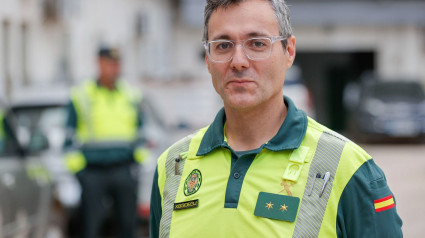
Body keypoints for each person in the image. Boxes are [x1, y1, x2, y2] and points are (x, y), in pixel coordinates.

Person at [150, 0, 403, 237]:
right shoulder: (172, 166)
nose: (238, 61)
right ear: (207, 58)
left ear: (289, 51)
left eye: (257, 43)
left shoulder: (347, 168)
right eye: (223, 45)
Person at [63, 47, 149, 238]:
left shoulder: (131, 94)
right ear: (99, 64)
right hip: (93, 173)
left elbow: (141, 135)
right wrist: (81, 173)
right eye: (110, 64)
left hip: (124, 170)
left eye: (117, 64)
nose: (115, 69)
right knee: (91, 226)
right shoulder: (82, 95)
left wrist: (137, 167)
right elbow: (68, 139)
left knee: (127, 226)